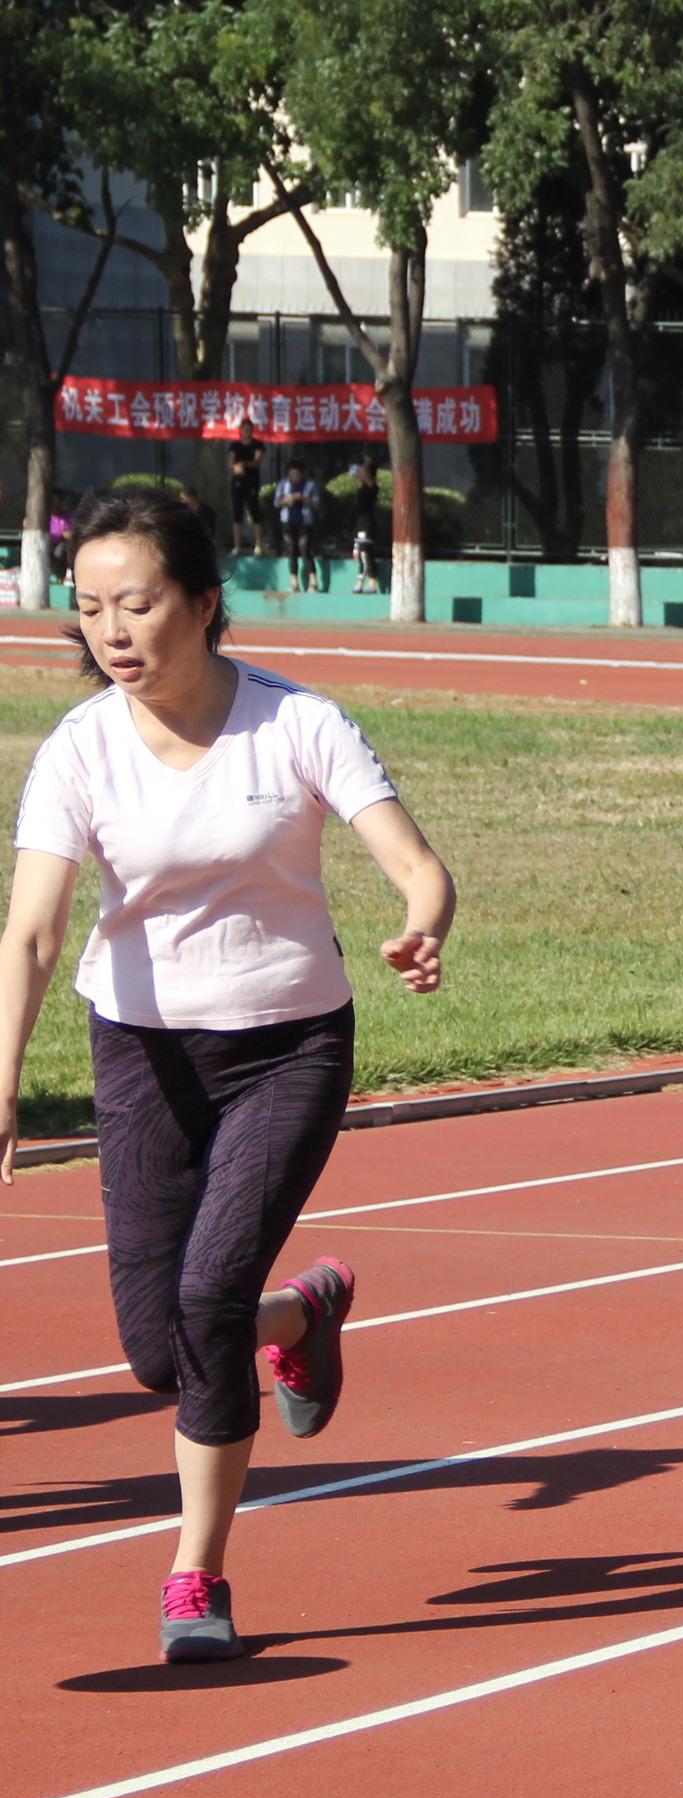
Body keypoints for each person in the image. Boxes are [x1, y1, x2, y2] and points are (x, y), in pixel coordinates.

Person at [0, 486, 457, 1663]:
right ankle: (300, 1312)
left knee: (204, 1303)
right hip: (143, 1053)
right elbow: (34, 932)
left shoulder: (296, 724)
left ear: (204, 604)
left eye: (138, 603)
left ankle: (195, 1574)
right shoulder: (80, 749)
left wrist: (422, 921)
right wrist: (1, 1084)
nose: (112, 630)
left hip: (288, 1047)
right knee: (160, 1350)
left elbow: (416, 864)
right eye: (89, 608)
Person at [276, 457, 321, 592]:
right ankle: (294, 583)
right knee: (291, 551)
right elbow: (276, 502)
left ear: (302, 473)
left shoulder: (310, 485)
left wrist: (303, 498)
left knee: (305, 550)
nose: (294, 477)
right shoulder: (284, 484)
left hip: (304, 522)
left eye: (296, 474)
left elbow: (316, 502)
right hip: (288, 521)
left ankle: (313, 583)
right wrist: (287, 500)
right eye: (292, 474)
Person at [225, 421, 267, 557]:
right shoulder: (235, 445)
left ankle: (258, 545)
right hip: (237, 482)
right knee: (237, 513)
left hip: (252, 482)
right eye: (244, 429)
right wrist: (235, 466)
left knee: (254, 512)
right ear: (240, 430)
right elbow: (230, 462)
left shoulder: (258, 444)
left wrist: (244, 464)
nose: (247, 431)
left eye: (249, 429)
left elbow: (257, 461)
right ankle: (237, 546)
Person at [346, 454, 385, 594]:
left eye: (362, 469)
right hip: (360, 524)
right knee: (362, 553)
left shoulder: (371, 486)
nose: (359, 471)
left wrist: (364, 469)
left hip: (367, 525)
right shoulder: (362, 486)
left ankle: (370, 583)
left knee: (366, 553)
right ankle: (365, 581)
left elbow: (368, 480)